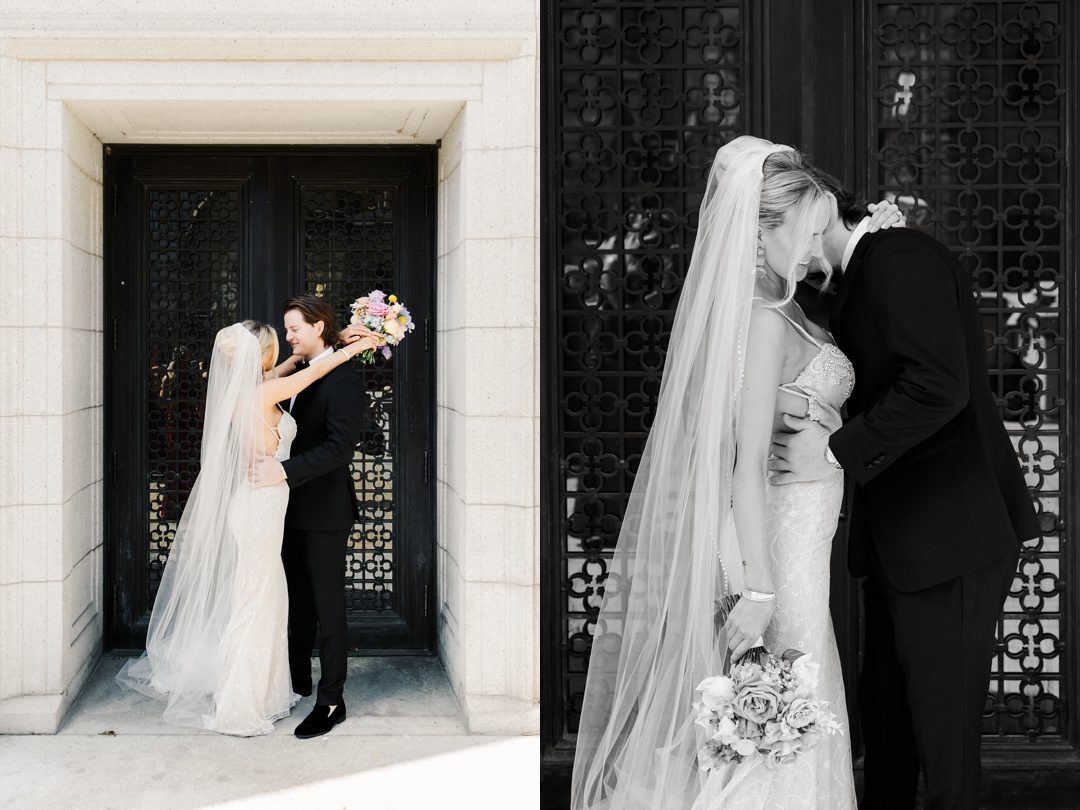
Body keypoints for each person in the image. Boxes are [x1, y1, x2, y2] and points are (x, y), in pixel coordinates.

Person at [570, 136, 903, 809]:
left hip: (801, 537)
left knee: (786, 710)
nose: (817, 250)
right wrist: (756, 589)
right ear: (761, 230)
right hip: (773, 550)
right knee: (779, 709)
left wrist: (819, 413)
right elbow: (745, 464)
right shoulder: (763, 318)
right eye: (808, 234)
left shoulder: (785, 308)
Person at [770, 171, 1039, 810]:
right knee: (889, 723)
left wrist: (834, 447)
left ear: (821, 209)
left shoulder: (900, 260)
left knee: (943, 743)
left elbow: (938, 386)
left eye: (776, 228)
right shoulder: (864, 268)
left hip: (949, 533)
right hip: (906, 539)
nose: (777, 247)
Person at [116, 319, 379, 736]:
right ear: (264, 354)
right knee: (258, 597)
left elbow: (292, 368)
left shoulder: (246, 389)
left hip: (257, 505)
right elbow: (309, 374)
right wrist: (349, 351)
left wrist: (319, 347)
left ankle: (262, 688)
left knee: (259, 594)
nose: (286, 344)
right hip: (260, 507)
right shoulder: (264, 392)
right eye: (279, 341)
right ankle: (241, 700)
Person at [249, 295, 370, 739]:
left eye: (295, 328)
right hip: (284, 509)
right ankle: (296, 682)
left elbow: (340, 449)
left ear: (319, 327)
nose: (288, 336)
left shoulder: (344, 381)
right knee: (296, 603)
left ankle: (331, 699)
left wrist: (282, 470)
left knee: (327, 607)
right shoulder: (298, 371)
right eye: (285, 329)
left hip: (324, 510)